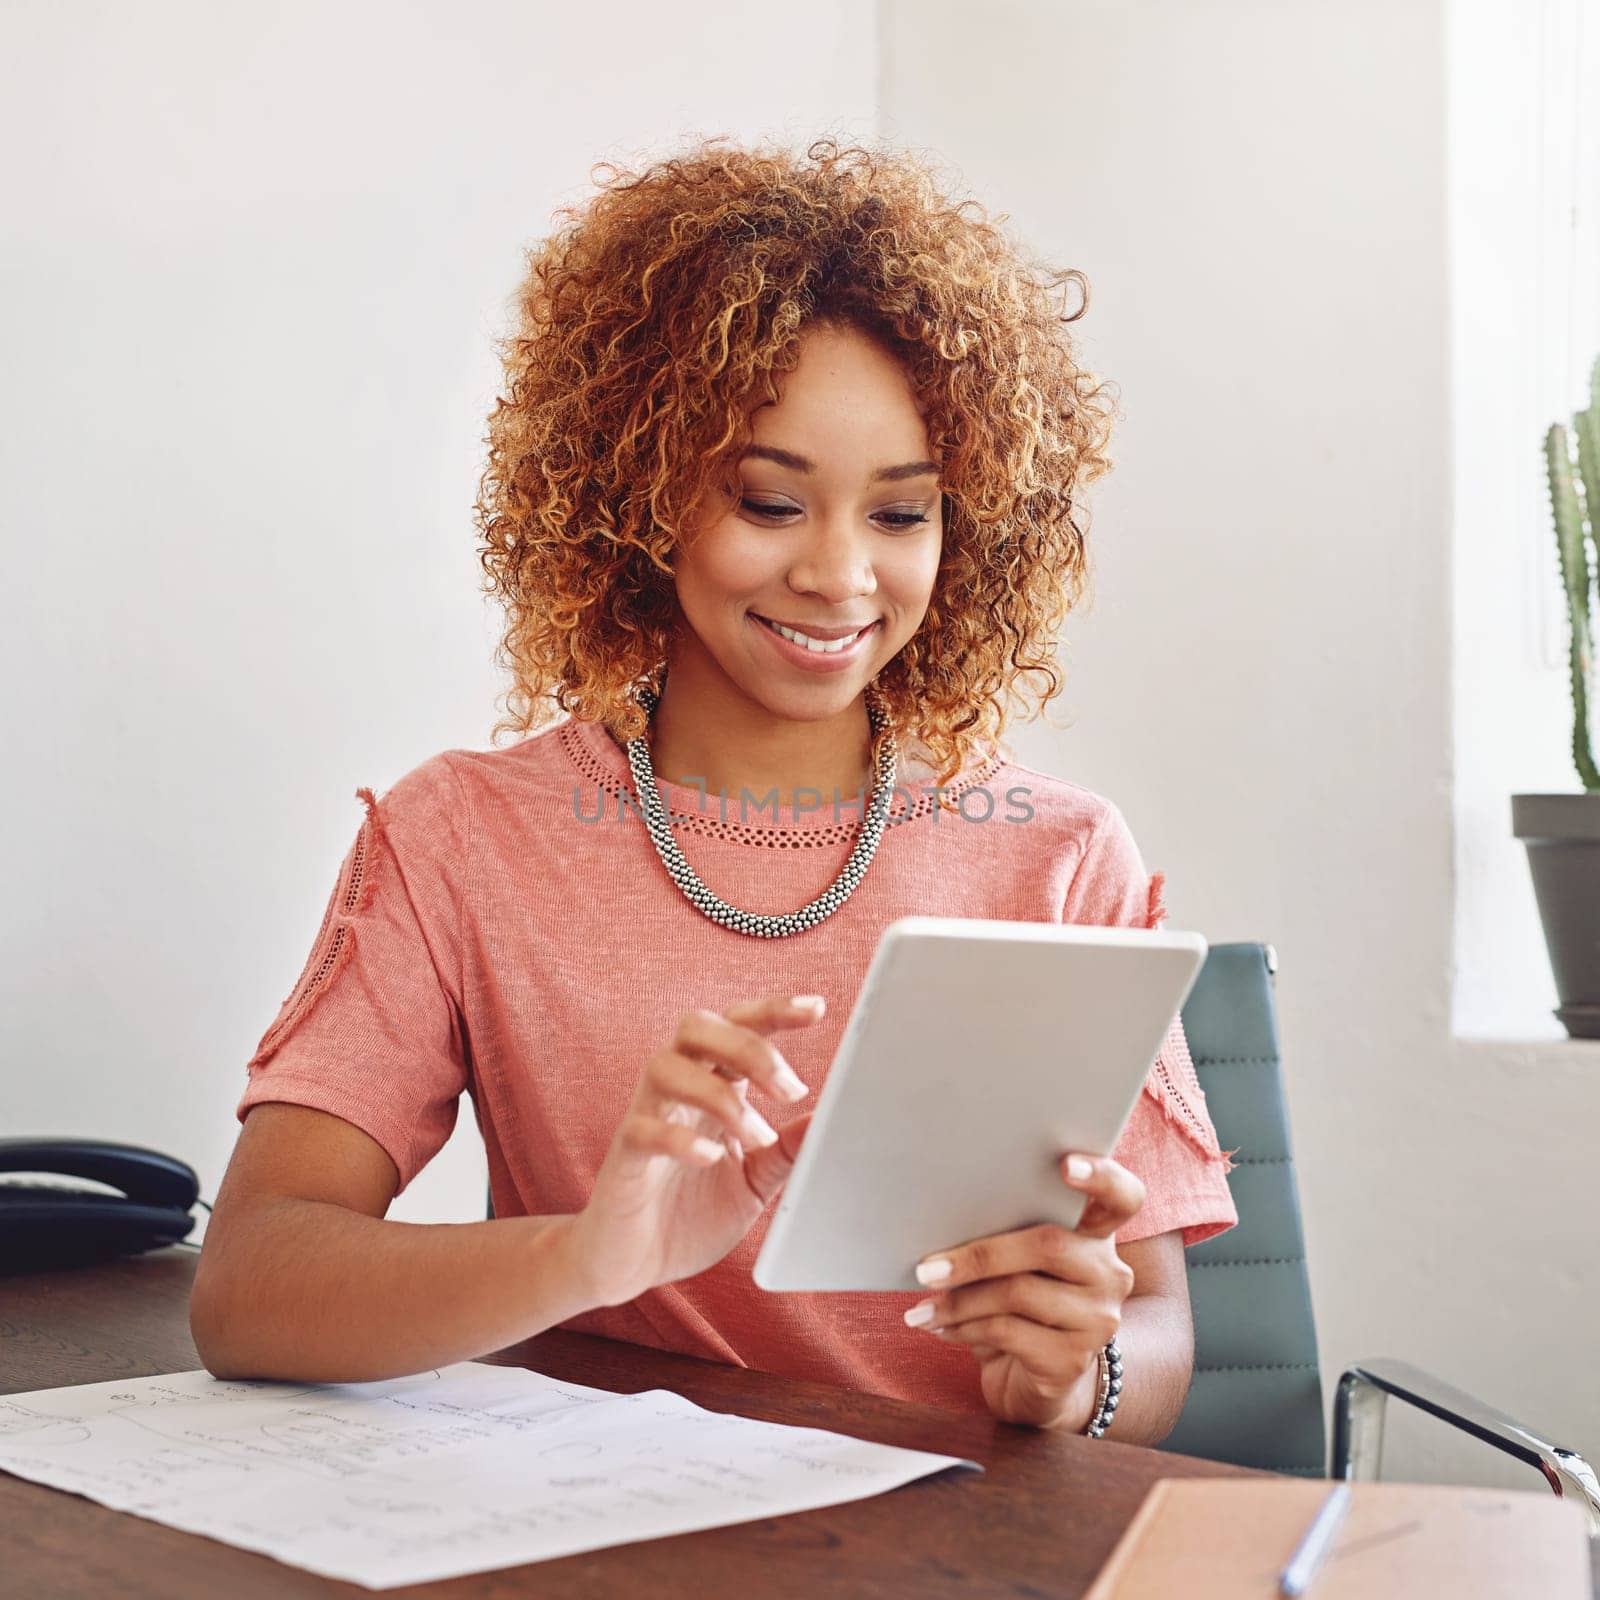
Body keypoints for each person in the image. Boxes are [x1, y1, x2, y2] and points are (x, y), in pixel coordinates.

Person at [191, 136, 1237, 1443]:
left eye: (902, 515)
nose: (841, 577)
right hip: (616, 1541)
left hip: (963, 1547)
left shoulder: (1059, 857)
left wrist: (1080, 1378)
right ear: (641, 489)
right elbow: (247, 1288)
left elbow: (1159, 1326)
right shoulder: (461, 838)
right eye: (768, 500)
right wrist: (588, 1257)